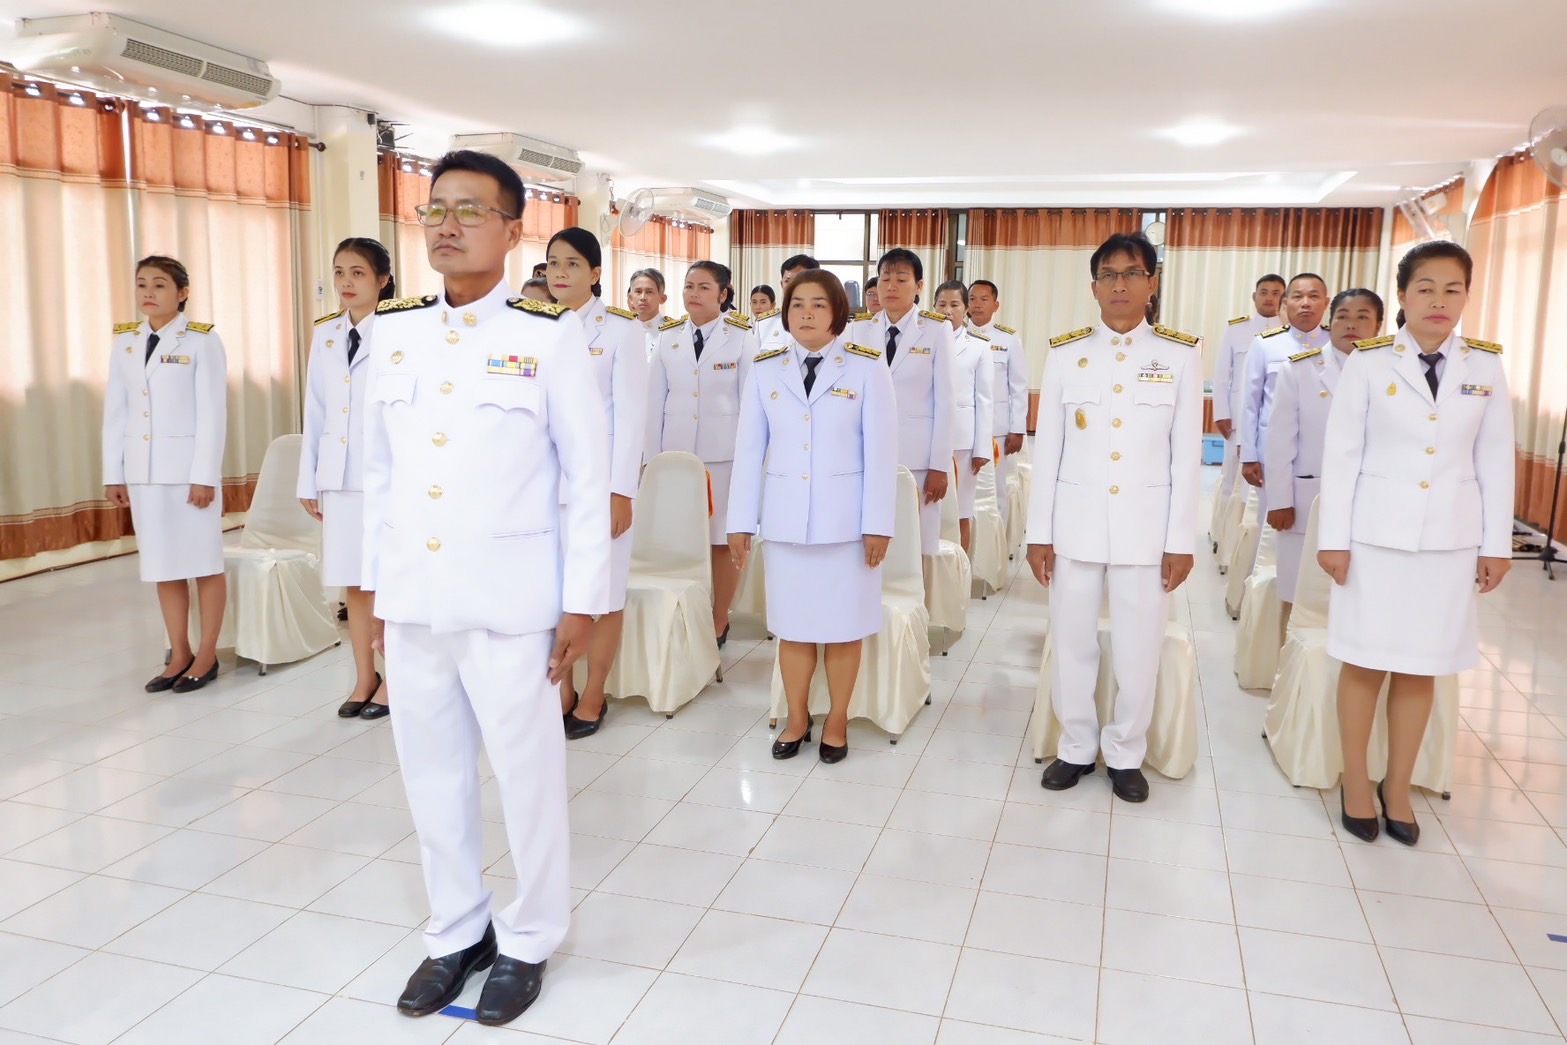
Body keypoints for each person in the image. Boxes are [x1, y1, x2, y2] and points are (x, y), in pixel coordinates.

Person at [361, 150, 610, 1025]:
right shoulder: (392, 331)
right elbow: (379, 472)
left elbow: (587, 477)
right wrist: (374, 592)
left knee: (526, 777)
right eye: (435, 208)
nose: (447, 224)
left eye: (470, 210)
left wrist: (582, 601)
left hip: (512, 601)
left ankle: (530, 935)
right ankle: (455, 929)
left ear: (512, 232)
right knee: (431, 774)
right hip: (415, 596)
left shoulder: (549, 335)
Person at [1318, 242, 1513, 846]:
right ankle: (1356, 781)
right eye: (1425, 288)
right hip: (1373, 539)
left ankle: (1397, 786)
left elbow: (1495, 459)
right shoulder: (1370, 362)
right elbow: (1342, 454)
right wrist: (1334, 539)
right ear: (1402, 295)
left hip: (1448, 541)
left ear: (1467, 297)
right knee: (1365, 660)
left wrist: (1496, 544)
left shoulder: (1485, 366)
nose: (1438, 301)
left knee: (1420, 668)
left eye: (1453, 289)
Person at [1025, 232, 1200, 803]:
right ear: (1094, 286)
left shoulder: (1180, 355)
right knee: (1072, 642)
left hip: (1146, 529)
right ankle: (1076, 746)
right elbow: (1047, 452)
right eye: (1108, 275)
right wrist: (1039, 533)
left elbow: (1185, 457)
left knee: (1138, 648)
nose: (1119, 284)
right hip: (1074, 526)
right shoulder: (1065, 354)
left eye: (1132, 273)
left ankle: (1126, 752)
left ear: (1152, 283)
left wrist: (1180, 539)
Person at [728, 270, 897, 764]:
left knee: (844, 628)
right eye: (797, 304)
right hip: (786, 525)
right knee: (794, 627)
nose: (806, 313)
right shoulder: (766, 369)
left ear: (837, 313)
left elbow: (882, 452)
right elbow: (748, 450)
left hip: (847, 528)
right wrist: (740, 521)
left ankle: (838, 720)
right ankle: (797, 718)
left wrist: (878, 524)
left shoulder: (866, 367)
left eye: (819, 304)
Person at [103, 255, 228, 694]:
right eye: (142, 284)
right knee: (163, 565)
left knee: (204, 564)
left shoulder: (201, 341)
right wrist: (114, 472)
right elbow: (116, 411)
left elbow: (213, 414)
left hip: (189, 475)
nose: (148, 293)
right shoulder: (126, 341)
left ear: (182, 293)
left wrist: (205, 475)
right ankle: (179, 653)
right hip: (144, 472)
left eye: (159, 284)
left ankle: (208, 654)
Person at [546, 227, 649, 738]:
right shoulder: (537, 325)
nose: (560, 273)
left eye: (571, 264)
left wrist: (621, 491)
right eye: (552, 264)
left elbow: (631, 417)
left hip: (601, 487)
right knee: (555, 593)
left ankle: (594, 693)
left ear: (594, 273)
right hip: (546, 487)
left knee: (603, 596)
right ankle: (561, 688)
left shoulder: (621, 331)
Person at [298, 237, 395, 719]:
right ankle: (364, 676)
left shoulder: (401, 330)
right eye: (339, 272)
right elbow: (315, 408)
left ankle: (394, 678)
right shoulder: (327, 333)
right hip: (339, 477)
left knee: (388, 581)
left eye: (358, 273)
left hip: (387, 476)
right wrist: (308, 480)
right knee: (354, 584)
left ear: (382, 280)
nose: (346, 282)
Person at [646, 261, 758, 645]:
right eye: (689, 286)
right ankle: (682, 615)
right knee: (679, 538)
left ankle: (718, 618)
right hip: (675, 458)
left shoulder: (741, 337)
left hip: (723, 457)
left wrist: (749, 462)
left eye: (704, 287)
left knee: (721, 540)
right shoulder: (668, 337)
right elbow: (653, 403)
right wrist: (650, 459)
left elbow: (752, 405)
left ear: (723, 295)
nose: (693, 293)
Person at [1262, 288, 1383, 613]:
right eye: (1343, 316)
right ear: (1331, 321)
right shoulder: (1299, 370)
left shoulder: (1390, 374)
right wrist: (1280, 500)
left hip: (1370, 504)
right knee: (1299, 598)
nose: (1351, 324)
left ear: (1378, 326)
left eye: (1362, 317)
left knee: (1359, 600)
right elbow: (1279, 441)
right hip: (1307, 500)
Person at [848, 248, 954, 560]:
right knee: (869, 538)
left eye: (901, 279)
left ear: (919, 286)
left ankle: (919, 593)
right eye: (885, 279)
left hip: (918, 457)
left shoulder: (936, 329)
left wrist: (939, 465)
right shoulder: (857, 330)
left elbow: (946, 401)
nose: (891, 286)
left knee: (917, 544)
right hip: (866, 453)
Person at [1240, 273, 1332, 493]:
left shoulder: (1335, 344)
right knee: (1270, 511)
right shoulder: (1264, 345)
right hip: (1271, 451)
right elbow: (1250, 403)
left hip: (1323, 453)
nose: (1306, 303)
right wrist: (1248, 456)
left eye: (1314, 296)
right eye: (1298, 297)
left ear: (1326, 303)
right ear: (1285, 302)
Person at [1210, 274, 1285, 501]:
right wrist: (1221, 414)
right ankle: (1226, 523)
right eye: (1264, 292)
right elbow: (1221, 376)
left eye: (1276, 293)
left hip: (1274, 417)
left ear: (1284, 298)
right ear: (1254, 296)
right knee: (1231, 476)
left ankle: (1257, 521)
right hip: (1237, 417)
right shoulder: (1236, 329)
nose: (1269, 298)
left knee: (1268, 475)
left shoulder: (1289, 332)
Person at [933, 280, 993, 553]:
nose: (947, 310)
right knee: (929, 511)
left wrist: (981, 449)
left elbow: (984, 400)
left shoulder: (978, 347)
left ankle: (961, 570)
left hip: (962, 444)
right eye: (942, 304)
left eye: (954, 304)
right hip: (928, 440)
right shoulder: (922, 343)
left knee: (961, 512)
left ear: (966, 309)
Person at [966, 279, 1028, 522]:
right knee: (964, 488)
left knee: (995, 490)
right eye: (972, 299)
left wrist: (1017, 428)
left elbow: (1018, 387)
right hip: (963, 425)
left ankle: (998, 541)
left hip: (996, 428)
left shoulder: (1008, 339)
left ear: (995, 305)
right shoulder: (955, 335)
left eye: (984, 299)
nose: (977, 304)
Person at [754, 254, 819, 347]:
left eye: (799, 280)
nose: (792, 286)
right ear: (782, 284)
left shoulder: (828, 321)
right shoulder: (764, 324)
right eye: (787, 281)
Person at [627, 268, 668, 357]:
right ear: (631, 299)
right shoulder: (622, 330)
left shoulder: (673, 332)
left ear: (662, 298)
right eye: (638, 291)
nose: (643, 297)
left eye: (649, 292)